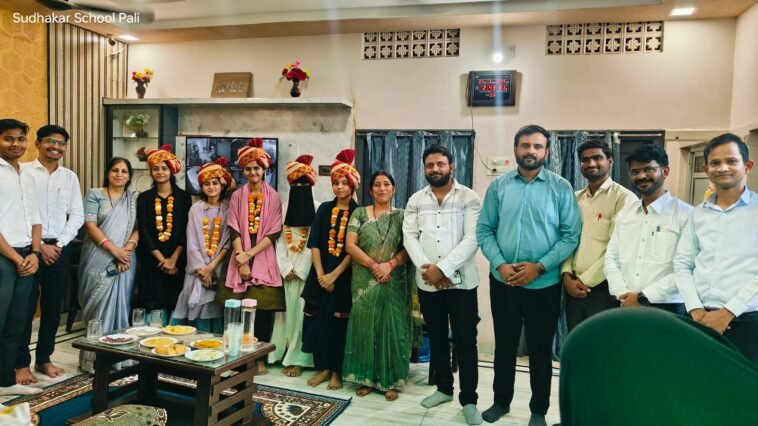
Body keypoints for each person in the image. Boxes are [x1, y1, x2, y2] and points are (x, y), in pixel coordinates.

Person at [476, 124, 581, 426]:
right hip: (504, 282)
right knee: (505, 346)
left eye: (537, 146)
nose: (530, 151)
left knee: (539, 350)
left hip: (544, 284)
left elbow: (570, 235)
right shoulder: (499, 187)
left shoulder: (560, 187)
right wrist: (500, 265)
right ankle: (501, 401)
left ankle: (538, 410)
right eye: (525, 145)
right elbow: (484, 230)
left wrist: (540, 266)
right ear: (515, 149)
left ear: (546, 151)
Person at [403, 144, 483, 424]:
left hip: (462, 284)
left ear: (452, 167)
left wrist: (443, 269)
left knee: (465, 341)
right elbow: (410, 237)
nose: (435, 169)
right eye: (430, 165)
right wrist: (429, 269)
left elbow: (472, 239)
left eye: (440, 164)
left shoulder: (469, 197)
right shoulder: (416, 199)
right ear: (424, 169)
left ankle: (469, 399)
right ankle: (444, 389)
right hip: (428, 283)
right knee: (436, 337)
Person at [674, 133, 758, 363]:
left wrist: (728, 312)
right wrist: (695, 309)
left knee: (744, 383)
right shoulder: (698, 214)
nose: (722, 168)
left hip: (747, 319)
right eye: (715, 163)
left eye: (731, 161)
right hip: (699, 317)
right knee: (700, 379)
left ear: (747, 166)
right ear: (706, 169)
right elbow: (682, 264)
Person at [16, 125, 84, 385]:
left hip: (60, 249)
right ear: (37, 143)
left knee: (53, 308)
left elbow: (76, 215)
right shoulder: (22, 172)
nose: (56, 147)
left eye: (61, 143)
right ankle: (21, 363)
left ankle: (44, 358)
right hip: (28, 249)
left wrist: (60, 243)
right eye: (50, 141)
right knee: (24, 309)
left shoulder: (69, 177)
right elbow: (20, 212)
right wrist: (39, 245)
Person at [344, 171, 414, 401]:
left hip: (394, 279)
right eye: (377, 185)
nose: (382, 188)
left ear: (393, 189)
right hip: (364, 278)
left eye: (386, 184)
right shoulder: (359, 213)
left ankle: (391, 381)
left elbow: (410, 248)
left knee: (393, 328)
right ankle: (366, 379)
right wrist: (375, 266)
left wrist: (389, 265)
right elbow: (350, 245)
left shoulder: (403, 216)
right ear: (370, 190)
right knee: (366, 326)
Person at [216, 138, 283, 375]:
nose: (253, 172)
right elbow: (234, 228)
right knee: (236, 310)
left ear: (264, 170)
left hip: (263, 256)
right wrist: (241, 259)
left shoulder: (274, 196)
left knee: (262, 312)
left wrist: (249, 256)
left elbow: (274, 232)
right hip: (239, 254)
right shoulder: (237, 196)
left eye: (257, 168)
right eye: (248, 168)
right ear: (243, 171)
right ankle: (237, 356)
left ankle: (259, 359)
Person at [605, 145, 692, 315]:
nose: (641, 176)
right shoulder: (626, 213)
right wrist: (622, 292)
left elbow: (687, 267)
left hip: (668, 305)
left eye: (648, 169)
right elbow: (611, 258)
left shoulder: (686, 215)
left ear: (665, 171)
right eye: (635, 171)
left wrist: (643, 297)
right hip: (625, 302)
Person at [561, 139, 636, 331]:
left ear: (610, 161)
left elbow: (618, 248)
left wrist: (584, 281)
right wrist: (566, 275)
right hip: (572, 287)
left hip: (604, 288)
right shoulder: (575, 198)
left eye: (597, 158)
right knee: (576, 340)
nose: (591, 163)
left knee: (603, 342)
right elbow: (567, 238)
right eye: (585, 160)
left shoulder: (624, 198)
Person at [301, 149, 359, 390]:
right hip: (320, 275)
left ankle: (337, 371)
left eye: (344, 183)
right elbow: (314, 243)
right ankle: (323, 368)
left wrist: (334, 275)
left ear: (353, 185)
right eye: (336, 183)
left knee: (338, 324)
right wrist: (321, 275)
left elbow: (354, 249)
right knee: (318, 322)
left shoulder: (359, 212)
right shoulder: (324, 209)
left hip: (344, 278)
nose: (339, 187)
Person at [78, 157, 139, 373]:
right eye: (115, 170)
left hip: (126, 259)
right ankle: (94, 359)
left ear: (129, 176)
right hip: (97, 256)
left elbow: (138, 228)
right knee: (97, 307)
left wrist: (126, 252)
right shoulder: (94, 194)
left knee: (121, 304)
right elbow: (90, 226)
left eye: (124, 171)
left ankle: (119, 358)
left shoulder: (133, 199)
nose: (119, 174)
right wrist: (115, 251)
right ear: (107, 173)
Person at [0, 119, 43, 396]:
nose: (15, 144)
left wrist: (35, 253)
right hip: (5, 257)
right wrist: (17, 259)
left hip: (28, 255)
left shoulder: (27, 174)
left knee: (17, 323)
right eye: (8, 138)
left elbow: (36, 219)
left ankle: (5, 382)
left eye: (20, 138)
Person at [170, 158, 235, 333]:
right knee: (196, 314)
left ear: (222, 185)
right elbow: (191, 242)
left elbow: (227, 243)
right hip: (197, 271)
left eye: (215, 183)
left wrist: (211, 268)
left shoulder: (229, 209)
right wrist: (202, 269)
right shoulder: (195, 209)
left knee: (216, 311)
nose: (211, 187)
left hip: (219, 269)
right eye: (207, 184)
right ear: (201, 187)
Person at [269, 155, 318, 377]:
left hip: (305, 274)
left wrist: (299, 270)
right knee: (283, 316)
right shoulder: (283, 208)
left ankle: (298, 359)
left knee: (301, 315)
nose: (299, 187)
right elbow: (279, 241)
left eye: (304, 184)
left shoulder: (318, 208)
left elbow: (314, 243)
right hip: (286, 273)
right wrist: (285, 268)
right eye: (296, 184)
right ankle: (280, 353)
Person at [136, 145, 192, 322]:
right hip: (152, 259)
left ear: (171, 170)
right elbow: (143, 230)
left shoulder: (184, 197)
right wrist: (162, 260)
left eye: (164, 168)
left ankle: (175, 333)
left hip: (178, 259)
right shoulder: (144, 198)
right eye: (156, 169)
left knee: (175, 298)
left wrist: (173, 259)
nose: (160, 172)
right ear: (151, 172)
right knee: (152, 300)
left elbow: (186, 230)